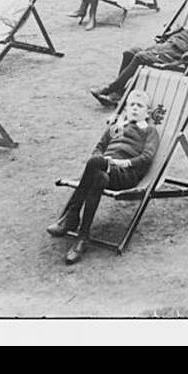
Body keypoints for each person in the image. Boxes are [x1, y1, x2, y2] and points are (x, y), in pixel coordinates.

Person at [47, 89, 163, 264]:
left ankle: (72, 215)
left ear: (147, 112)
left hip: (126, 175)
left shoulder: (149, 131)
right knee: (99, 177)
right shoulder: (117, 127)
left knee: (96, 163)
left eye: (140, 106)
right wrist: (103, 159)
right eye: (131, 105)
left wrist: (123, 163)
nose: (134, 108)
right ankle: (82, 237)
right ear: (126, 109)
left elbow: (147, 157)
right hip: (106, 171)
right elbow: (99, 147)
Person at [90, 10, 188, 107]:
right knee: (129, 52)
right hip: (160, 48)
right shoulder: (186, 27)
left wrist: (184, 58)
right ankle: (119, 92)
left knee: (139, 57)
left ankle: (110, 89)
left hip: (170, 55)